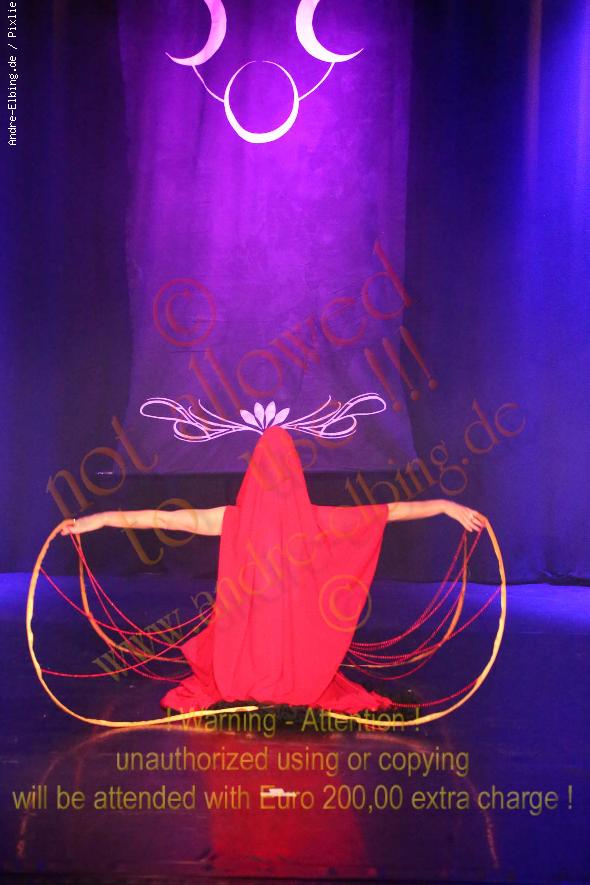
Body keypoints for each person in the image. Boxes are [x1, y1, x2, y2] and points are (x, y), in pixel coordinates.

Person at [60, 426, 486, 714]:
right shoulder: (313, 520)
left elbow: (159, 518)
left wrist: (96, 520)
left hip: (239, 661)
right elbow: (390, 511)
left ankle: (254, 676)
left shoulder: (230, 519)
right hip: (299, 664)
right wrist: (445, 505)